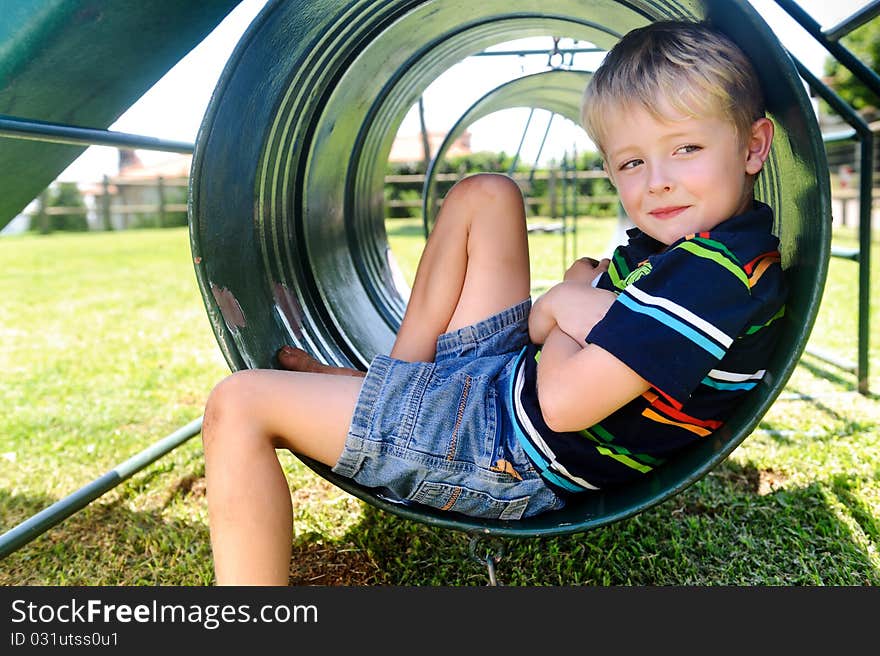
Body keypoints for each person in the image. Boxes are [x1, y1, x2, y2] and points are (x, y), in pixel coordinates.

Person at [201, 19, 787, 585]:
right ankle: (396, 383)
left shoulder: (716, 279)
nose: (657, 180)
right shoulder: (698, 250)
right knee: (486, 194)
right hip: (504, 386)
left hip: (509, 451)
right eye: (632, 161)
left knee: (239, 404)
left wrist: (568, 299)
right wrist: (575, 310)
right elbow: (539, 327)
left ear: (754, 146)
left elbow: (561, 402)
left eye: (685, 147)